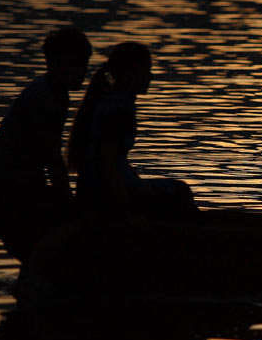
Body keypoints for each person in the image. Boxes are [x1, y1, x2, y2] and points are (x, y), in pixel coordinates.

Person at [0, 27, 92, 256]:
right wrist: (67, 199)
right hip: (12, 186)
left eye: (85, 64)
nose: (84, 72)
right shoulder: (46, 96)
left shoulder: (54, 92)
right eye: (78, 64)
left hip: (19, 181)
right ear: (59, 63)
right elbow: (51, 155)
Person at [66, 42, 196, 221]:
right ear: (128, 75)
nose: (150, 77)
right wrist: (127, 210)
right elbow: (107, 163)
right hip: (106, 194)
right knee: (180, 191)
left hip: (96, 188)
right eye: (145, 71)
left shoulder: (107, 102)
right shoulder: (119, 109)